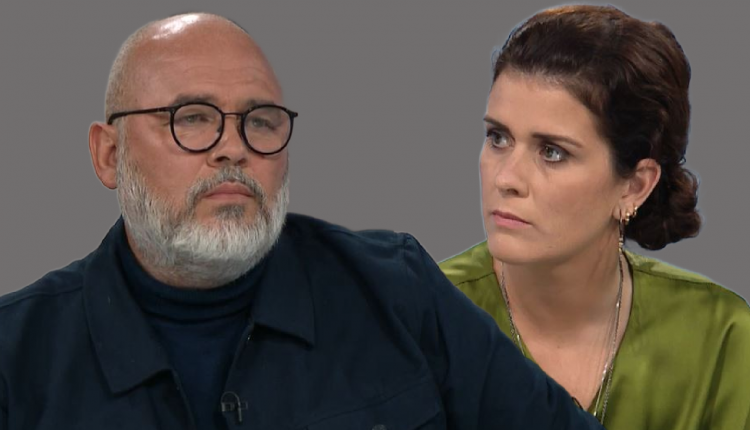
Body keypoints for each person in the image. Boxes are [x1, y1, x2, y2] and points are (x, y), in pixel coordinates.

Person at [0, 12, 604, 430]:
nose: (233, 148)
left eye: (260, 121)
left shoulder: (397, 288)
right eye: (192, 118)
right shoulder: (15, 354)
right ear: (109, 155)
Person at [439, 5, 750, 430]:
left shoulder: (720, 337)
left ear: (635, 186)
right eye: (498, 137)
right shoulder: (422, 316)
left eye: (552, 152)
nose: (506, 178)